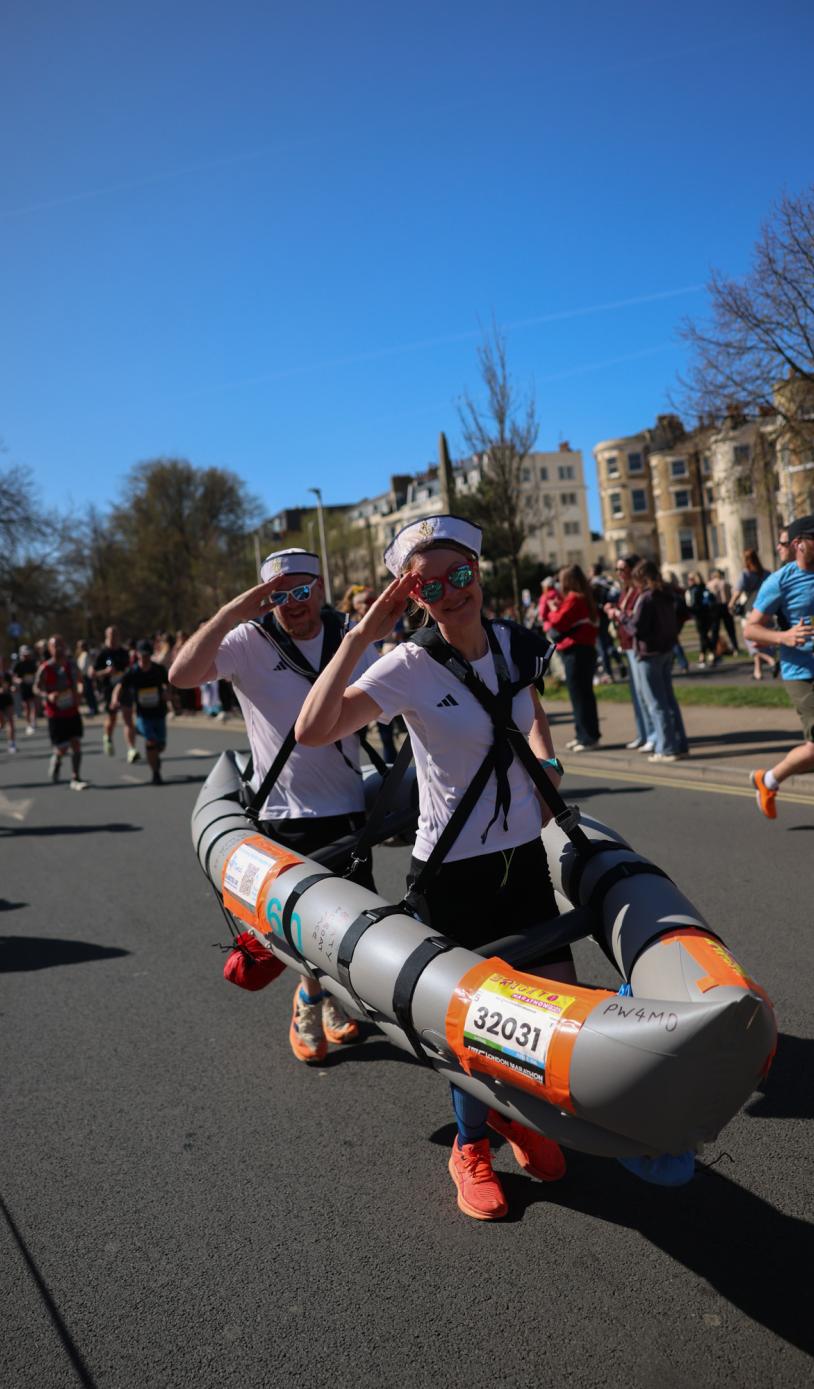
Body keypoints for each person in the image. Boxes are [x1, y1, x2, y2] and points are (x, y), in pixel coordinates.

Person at [296, 515, 573, 1222]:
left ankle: (515, 1115)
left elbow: (529, 708)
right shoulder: (409, 665)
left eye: (460, 575)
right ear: (412, 596)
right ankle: (471, 1141)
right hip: (453, 870)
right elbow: (314, 729)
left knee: (556, 1006)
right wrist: (361, 634)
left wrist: (547, 763)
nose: (451, 593)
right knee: (472, 1026)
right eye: (429, 586)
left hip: (522, 860)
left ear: (477, 571)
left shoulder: (515, 642)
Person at [169, 548, 373, 1063]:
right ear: (265, 600)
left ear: (320, 588)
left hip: (347, 807)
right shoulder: (247, 641)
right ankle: (310, 999)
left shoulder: (351, 638)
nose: (293, 604)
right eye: (278, 596)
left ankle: (323, 996)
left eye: (302, 591)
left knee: (350, 926)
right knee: (300, 929)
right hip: (281, 813)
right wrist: (229, 613)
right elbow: (181, 676)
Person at [746, 514, 814, 817]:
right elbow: (751, 629)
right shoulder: (780, 581)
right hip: (802, 672)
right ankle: (769, 778)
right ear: (799, 544)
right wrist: (784, 636)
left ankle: (768, 779)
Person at [621, 561, 688, 762]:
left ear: (641, 578)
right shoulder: (666, 594)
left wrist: (622, 617)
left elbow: (636, 628)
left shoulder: (647, 598)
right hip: (666, 650)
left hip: (649, 653)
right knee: (669, 701)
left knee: (656, 704)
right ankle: (679, 744)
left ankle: (667, 748)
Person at [543, 565, 601, 752]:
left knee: (579, 696)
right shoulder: (585, 597)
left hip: (576, 652)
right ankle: (585, 735)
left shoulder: (574, 599)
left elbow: (558, 621)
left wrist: (552, 609)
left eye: (561, 579)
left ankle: (586, 737)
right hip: (584, 650)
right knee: (584, 696)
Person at [605, 555, 656, 752]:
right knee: (636, 694)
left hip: (636, 645)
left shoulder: (637, 591)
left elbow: (634, 618)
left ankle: (652, 735)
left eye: (622, 569)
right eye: (617, 569)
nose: (619, 573)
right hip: (626, 644)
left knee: (645, 694)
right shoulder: (624, 591)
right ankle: (643, 733)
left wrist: (617, 613)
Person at [112, 640, 170, 784]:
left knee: (160, 746)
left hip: (159, 712)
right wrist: (114, 700)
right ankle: (155, 773)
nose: (143, 658)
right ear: (137, 655)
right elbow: (120, 686)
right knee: (151, 743)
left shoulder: (158, 669)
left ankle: (155, 756)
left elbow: (169, 684)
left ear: (150, 655)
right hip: (143, 714)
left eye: (146, 655)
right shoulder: (133, 671)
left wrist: (168, 694)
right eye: (141, 655)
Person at [33, 635, 88, 789]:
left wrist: (80, 692)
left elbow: (79, 681)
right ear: (49, 649)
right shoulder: (45, 668)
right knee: (62, 747)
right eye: (54, 645)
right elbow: (36, 688)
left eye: (60, 645)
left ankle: (75, 777)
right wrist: (48, 695)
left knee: (76, 743)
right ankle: (57, 760)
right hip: (56, 714)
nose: (57, 648)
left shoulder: (71, 665)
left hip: (72, 710)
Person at [94, 626, 140, 759]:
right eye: (111, 635)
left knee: (128, 719)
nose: (113, 637)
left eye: (115, 634)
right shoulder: (102, 653)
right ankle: (107, 737)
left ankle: (131, 749)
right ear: (106, 636)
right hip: (109, 690)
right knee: (112, 719)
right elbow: (93, 673)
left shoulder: (124, 652)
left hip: (124, 689)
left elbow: (130, 669)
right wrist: (105, 672)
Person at [731, 549, 774, 680]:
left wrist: (731, 603)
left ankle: (770, 659)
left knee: (750, 639)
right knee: (761, 639)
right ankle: (758, 671)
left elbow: (738, 591)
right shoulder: (766, 573)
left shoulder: (746, 574)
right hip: (766, 609)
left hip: (751, 610)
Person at [590, 564, 624, 682]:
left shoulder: (592, 585)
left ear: (593, 572)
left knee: (601, 647)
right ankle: (620, 663)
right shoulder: (607, 582)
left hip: (597, 618)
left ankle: (609, 673)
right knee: (609, 643)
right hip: (606, 616)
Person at [685, 573, 720, 668]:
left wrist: (688, 610)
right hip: (708, 614)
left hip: (699, 615)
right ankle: (704, 657)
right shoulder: (705, 588)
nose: (688, 581)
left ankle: (712, 653)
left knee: (703, 636)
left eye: (689, 579)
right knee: (703, 636)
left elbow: (692, 604)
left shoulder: (694, 590)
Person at [706, 570, 740, 656]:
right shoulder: (725, 583)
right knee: (730, 629)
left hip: (715, 608)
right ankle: (735, 648)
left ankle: (713, 650)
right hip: (725, 606)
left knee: (715, 630)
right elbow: (732, 594)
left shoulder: (709, 584)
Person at [12, 644, 38, 733]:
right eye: (24, 655)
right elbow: (14, 677)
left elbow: (37, 674)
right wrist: (19, 680)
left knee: (34, 704)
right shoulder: (18, 664)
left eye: (27, 655)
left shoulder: (32, 663)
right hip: (24, 687)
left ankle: (34, 721)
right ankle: (28, 724)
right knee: (26, 707)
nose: (26, 656)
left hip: (32, 686)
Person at [0, 658, 16, 753]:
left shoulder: (7, 675)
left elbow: (10, 686)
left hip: (7, 699)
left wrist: (12, 688)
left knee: (10, 721)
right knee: (2, 724)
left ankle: (12, 743)